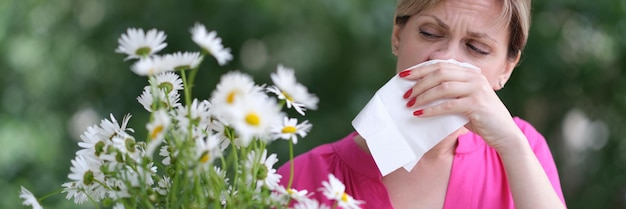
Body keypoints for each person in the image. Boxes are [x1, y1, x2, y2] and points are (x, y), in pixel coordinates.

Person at [277, 0, 567, 208]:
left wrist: (512, 146)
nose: (445, 60)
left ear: (506, 68)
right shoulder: (297, 179)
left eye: (476, 48)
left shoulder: (523, 150)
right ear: (398, 35)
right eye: (430, 33)